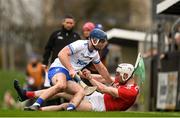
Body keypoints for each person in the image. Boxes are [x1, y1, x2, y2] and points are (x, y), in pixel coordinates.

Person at [14, 28, 113, 111]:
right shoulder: (80, 44)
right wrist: (70, 69)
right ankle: (36, 105)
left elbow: (102, 68)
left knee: (81, 92)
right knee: (61, 85)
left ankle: (70, 109)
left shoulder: (95, 53)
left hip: (70, 75)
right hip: (58, 67)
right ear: (94, 40)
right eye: (102, 41)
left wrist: (111, 83)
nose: (103, 44)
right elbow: (61, 54)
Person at [15, 63, 139, 111]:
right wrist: (84, 75)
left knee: (65, 106)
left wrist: (89, 78)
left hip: (101, 106)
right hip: (98, 97)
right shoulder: (124, 82)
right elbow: (103, 79)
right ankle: (27, 95)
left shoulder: (130, 92)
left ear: (126, 75)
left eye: (118, 74)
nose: (116, 76)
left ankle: (37, 111)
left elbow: (104, 88)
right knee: (60, 90)